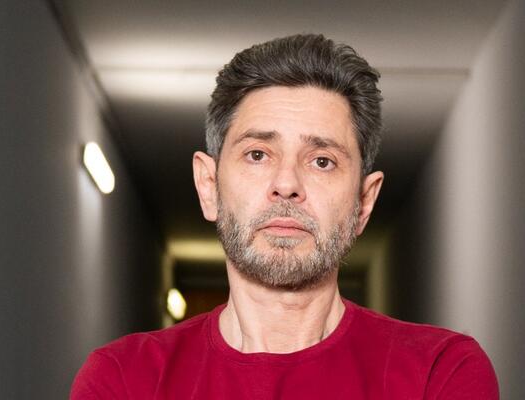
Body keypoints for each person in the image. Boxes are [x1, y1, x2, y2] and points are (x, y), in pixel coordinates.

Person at [71, 34, 499, 399]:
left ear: (363, 203)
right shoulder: (123, 379)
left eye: (322, 161)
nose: (287, 183)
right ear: (208, 185)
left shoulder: (439, 372)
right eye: (258, 154)